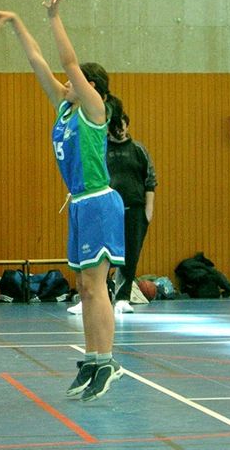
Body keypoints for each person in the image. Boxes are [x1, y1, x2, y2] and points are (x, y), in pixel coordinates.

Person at [0, 0, 126, 402]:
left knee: (96, 287)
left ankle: (107, 362)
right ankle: (93, 358)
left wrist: (53, 18)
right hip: (79, 203)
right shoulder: (64, 109)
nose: (65, 82)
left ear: (90, 86)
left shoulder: (94, 109)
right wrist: (16, 22)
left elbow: (66, 62)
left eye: (75, 80)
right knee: (83, 287)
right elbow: (38, 62)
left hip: (99, 202)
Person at [67, 111, 157, 315]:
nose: (120, 129)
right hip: (105, 209)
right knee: (99, 254)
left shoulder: (138, 150)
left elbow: (150, 180)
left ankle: (122, 298)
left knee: (130, 254)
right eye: (116, 125)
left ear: (127, 126)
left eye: (123, 125)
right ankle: (92, 296)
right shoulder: (100, 147)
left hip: (134, 209)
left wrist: (148, 210)